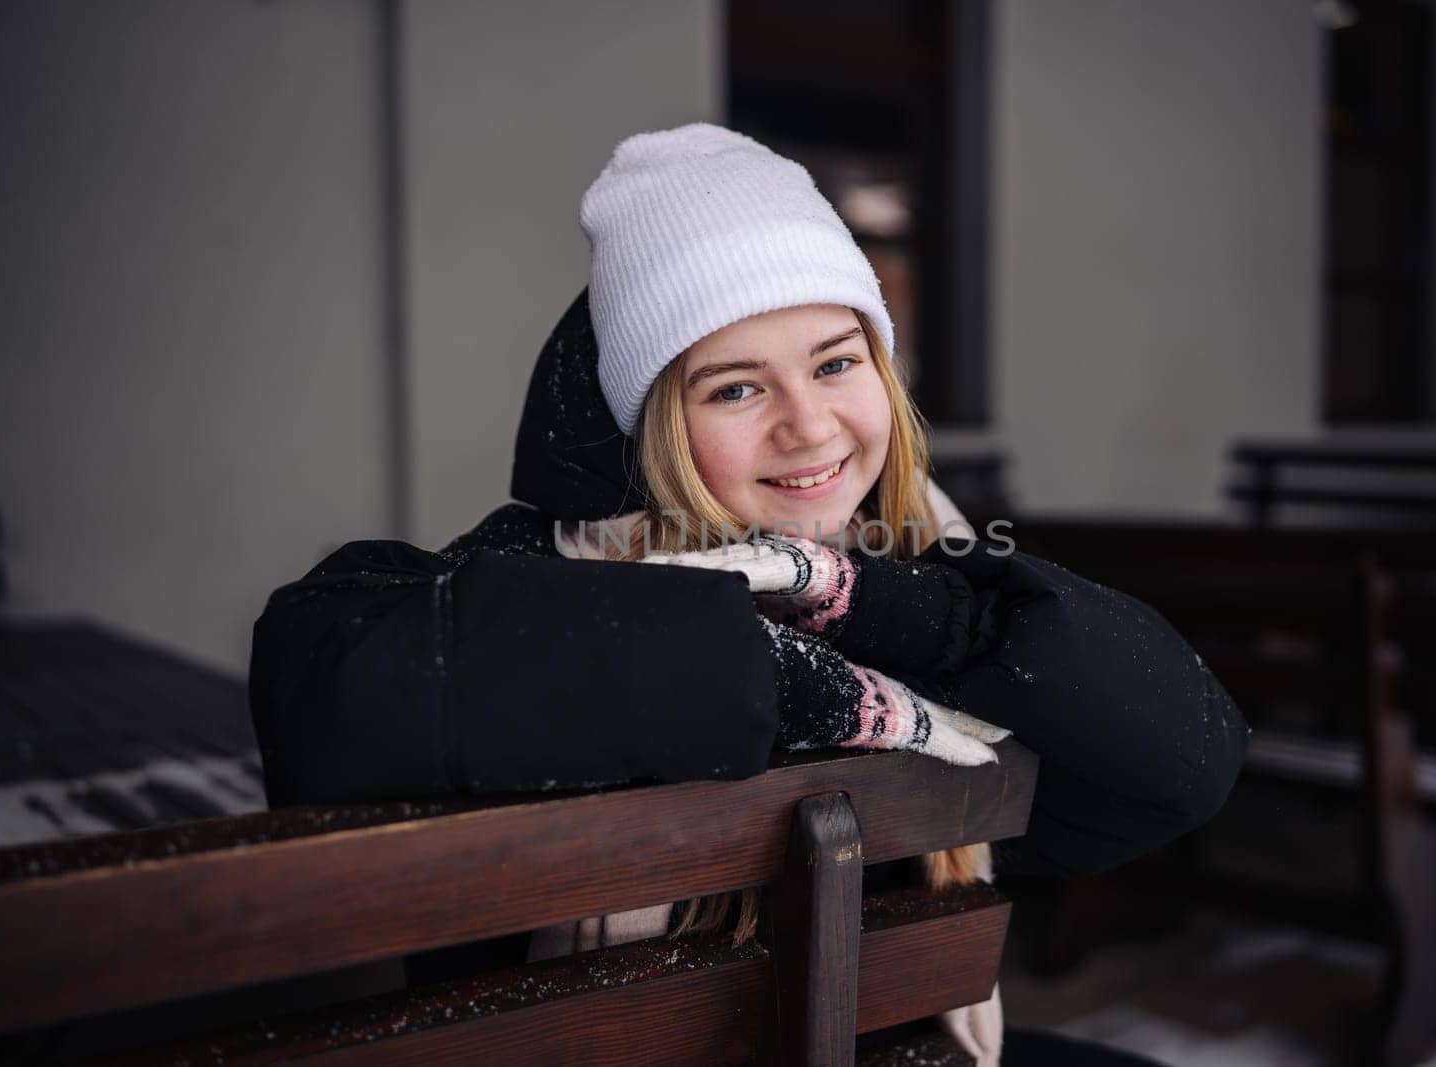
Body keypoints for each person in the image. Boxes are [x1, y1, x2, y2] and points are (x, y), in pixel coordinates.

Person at [250, 124, 1248, 1066]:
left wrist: (898, 609)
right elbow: (319, 681)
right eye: (736, 387)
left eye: (835, 362)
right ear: (653, 424)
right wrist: (759, 671)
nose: (809, 427)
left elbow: (1178, 767)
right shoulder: (543, 571)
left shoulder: (919, 554)